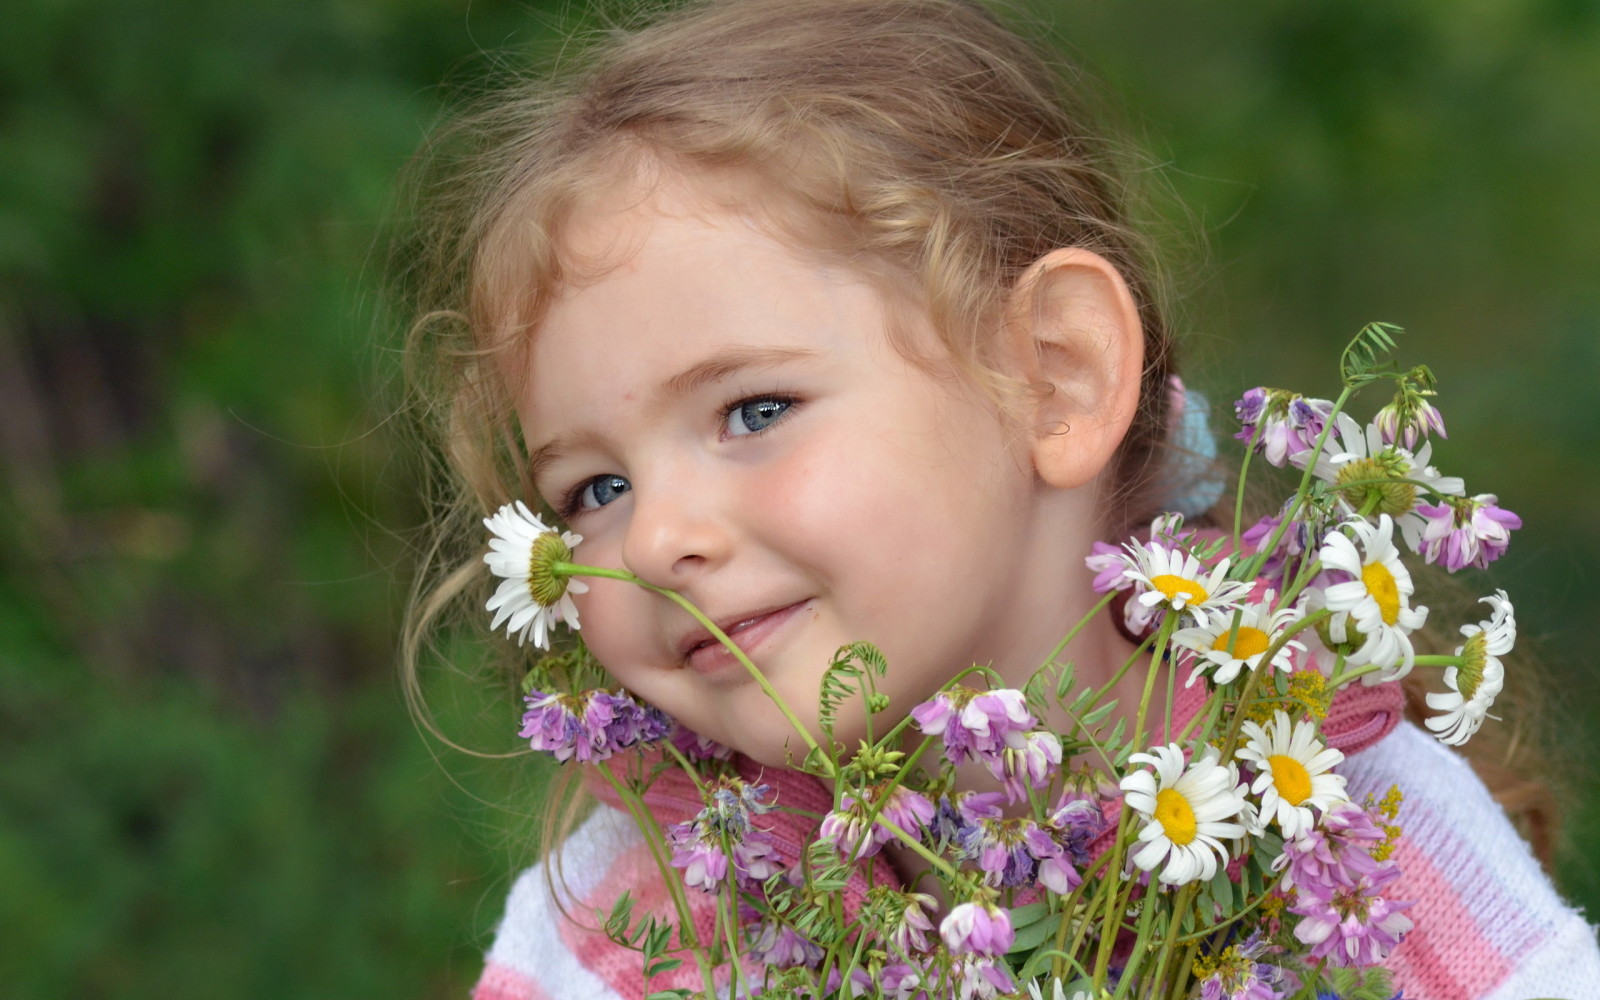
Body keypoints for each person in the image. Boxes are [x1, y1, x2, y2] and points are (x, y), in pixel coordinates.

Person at [398, 1, 1600, 997]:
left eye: (753, 412)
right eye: (593, 488)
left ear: (1052, 377)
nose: (654, 539)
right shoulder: (649, 900)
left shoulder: (1350, 841)